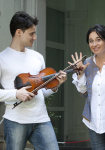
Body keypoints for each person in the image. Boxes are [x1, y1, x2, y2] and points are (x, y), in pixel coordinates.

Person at [0, 11, 67, 150]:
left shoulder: (37, 57)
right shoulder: (2, 59)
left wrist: (56, 86)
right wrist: (15, 94)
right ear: (19, 32)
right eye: (31, 33)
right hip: (15, 121)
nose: (35, 37)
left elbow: (40, 91)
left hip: (41, 119)